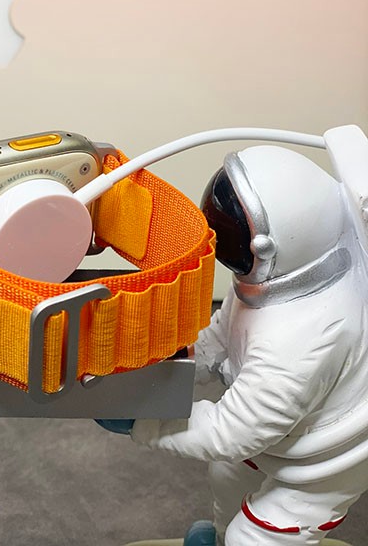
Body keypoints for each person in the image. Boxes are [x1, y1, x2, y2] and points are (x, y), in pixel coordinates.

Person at [128, 145, 368, 545]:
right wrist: (163, 364)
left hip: (326, 457)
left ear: (265, 245)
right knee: (227, 475)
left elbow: (234, 430)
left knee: (254, 536)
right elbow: (221, 338)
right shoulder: (277, 275)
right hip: (284, 429)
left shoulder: (306, 333)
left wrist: (144, 423)